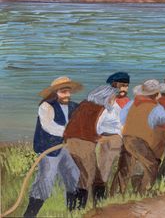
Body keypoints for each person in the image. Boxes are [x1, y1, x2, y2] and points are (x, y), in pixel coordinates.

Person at [24, 77, 83, 217]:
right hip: (49, 149)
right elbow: (49, 126)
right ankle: (30, 214)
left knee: (73, 174)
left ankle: (72, 211)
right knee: (46, 180)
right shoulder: (46, 106)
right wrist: (68, 132)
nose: (67, 95)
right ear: (56, 92)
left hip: (65, 148)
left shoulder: (74, 106)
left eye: (68, 92)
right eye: (63, 92)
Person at [63, 85, 120, 207]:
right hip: (84, 143)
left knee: (96, 178)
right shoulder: (101, 109)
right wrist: (107, 137)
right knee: (87, 176)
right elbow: (97, 129)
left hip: (71, 141)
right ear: (105, 97)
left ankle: (99, 206)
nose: (113, 101)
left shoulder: (84, 105)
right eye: (112, 98)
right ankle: (77, 208)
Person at [112, 80, 165, 194]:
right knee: (152, 165)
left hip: (127, 137)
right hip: (138, 140)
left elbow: (122, 118)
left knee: (124, 168)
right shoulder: (156, 107)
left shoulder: (133, 102)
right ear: (156, 94)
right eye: (159, 93)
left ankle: (115, 194)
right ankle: (143, 192)